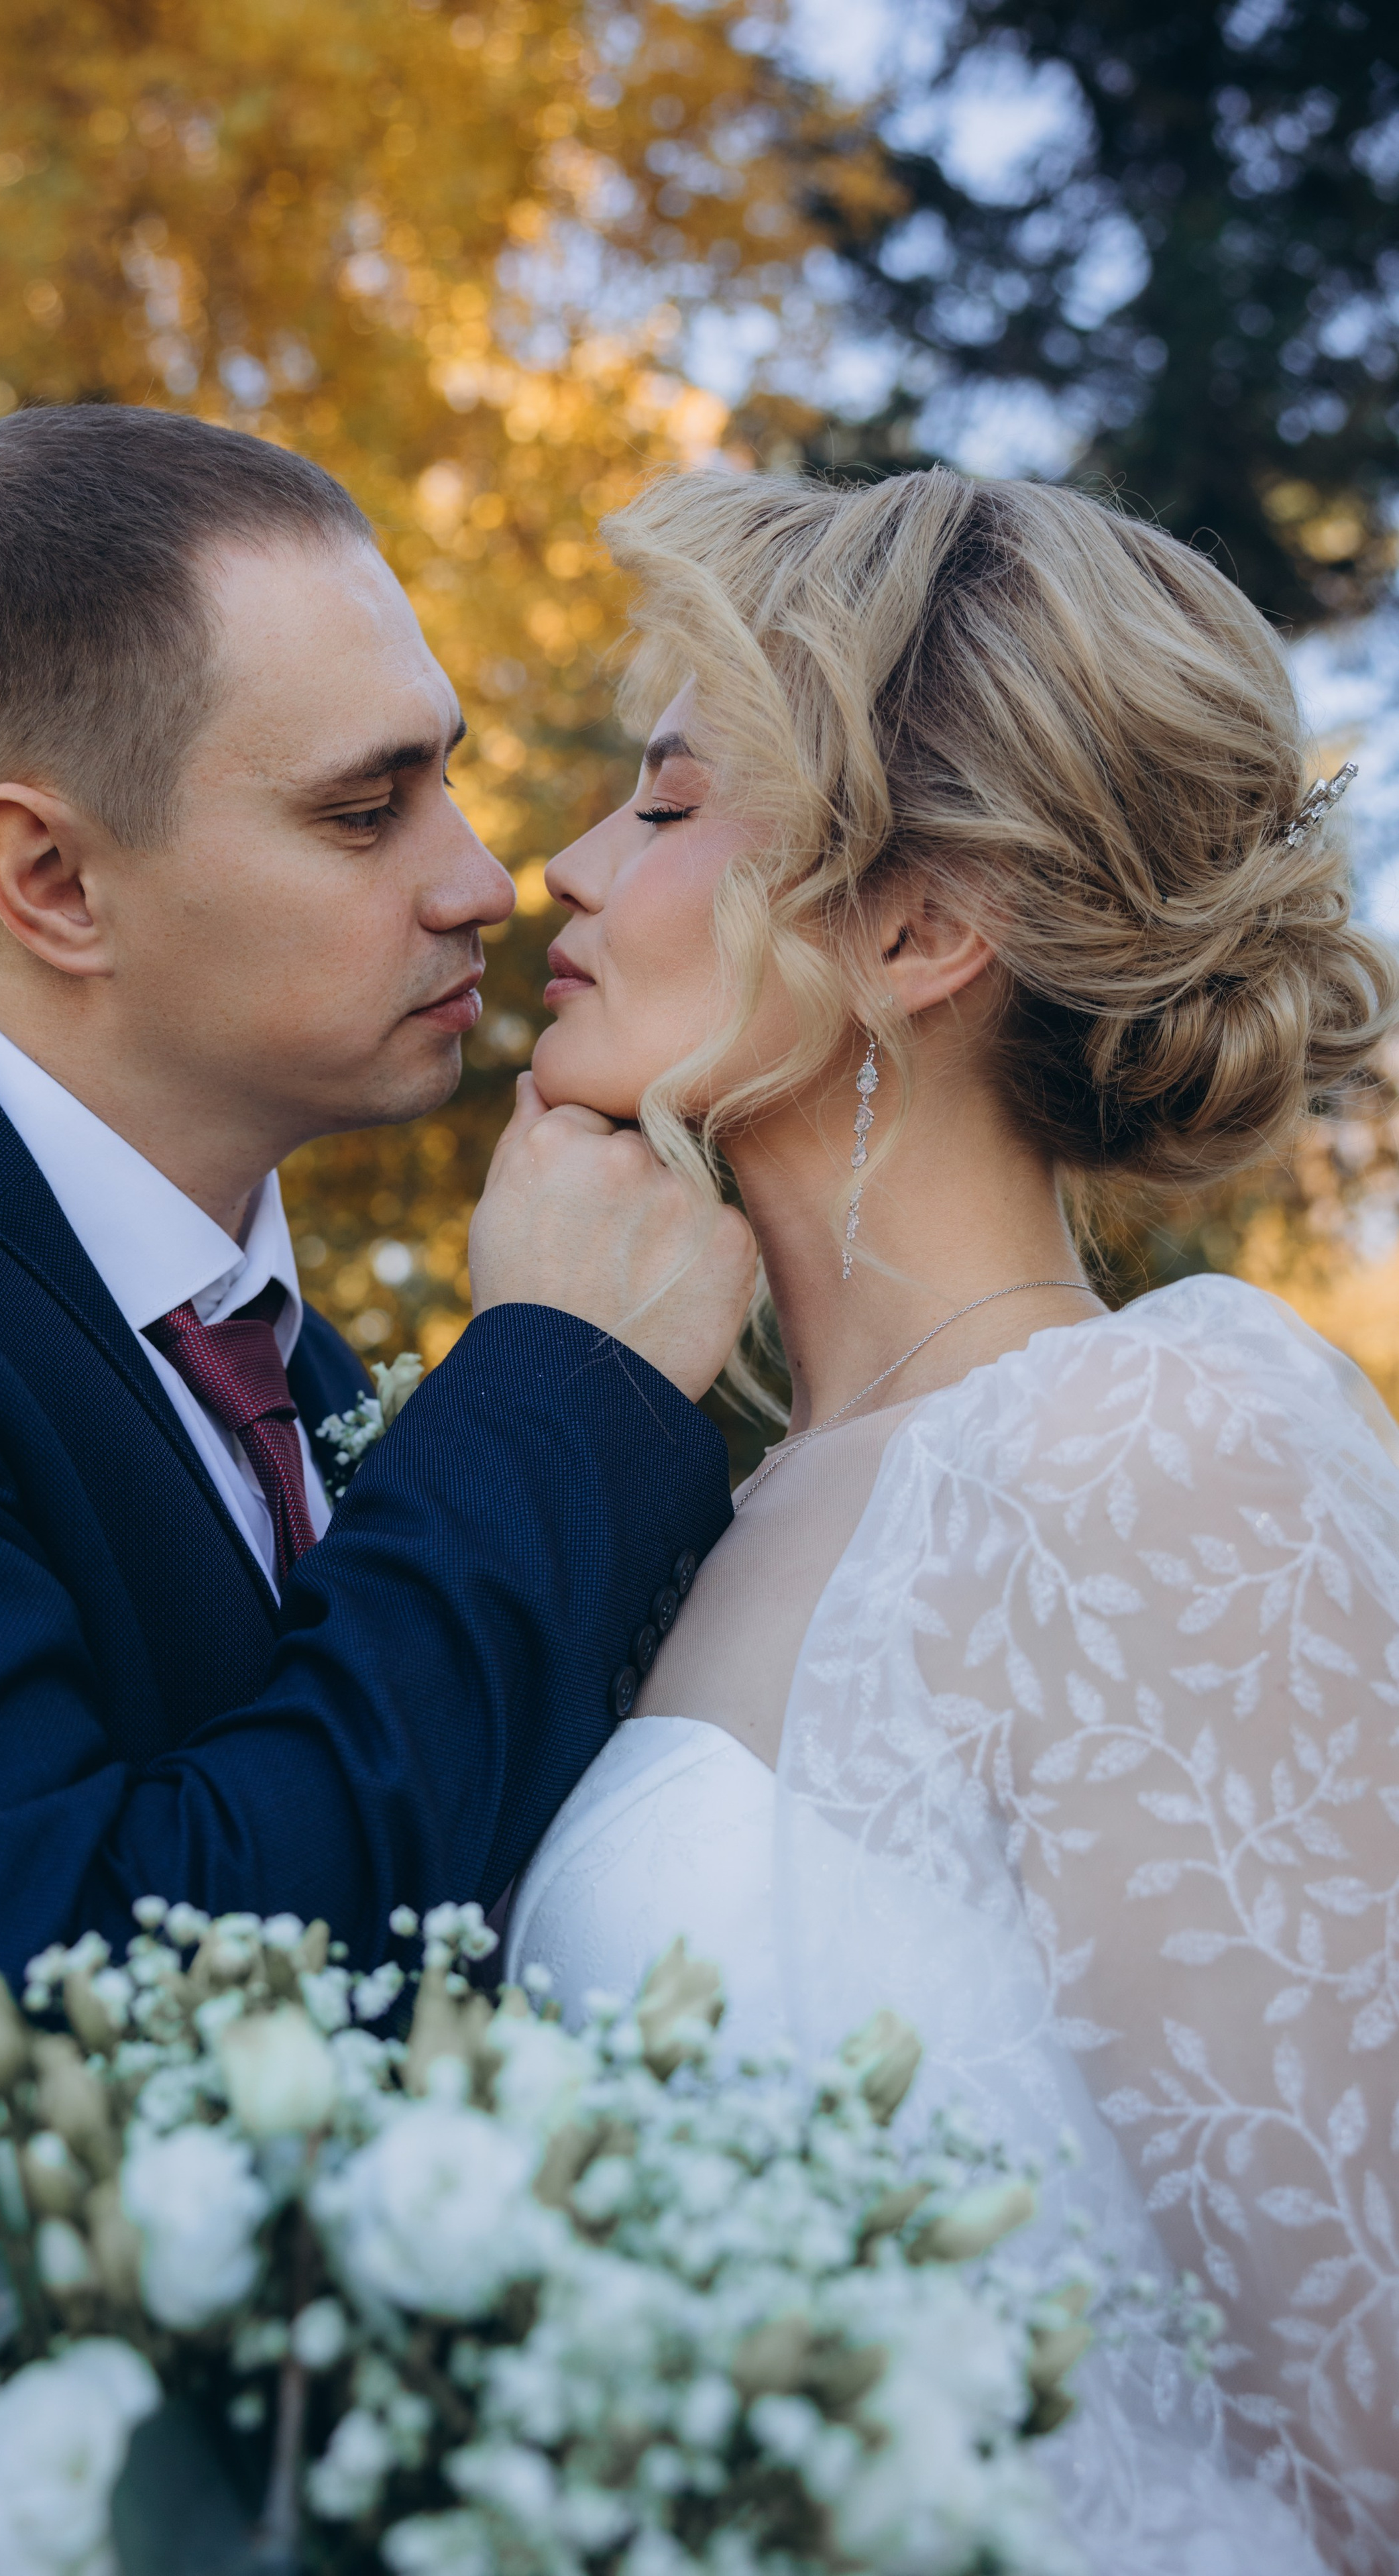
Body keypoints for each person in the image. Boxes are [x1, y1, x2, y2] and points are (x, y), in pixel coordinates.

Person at [0, 405, 756, 2572]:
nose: (481, 872)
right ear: (49, 876)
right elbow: (58, 2011)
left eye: (445, 772)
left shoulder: (319, 1392)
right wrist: (553, 1394)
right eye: (368, 810)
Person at [508, 466, 1399, 2575]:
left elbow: (1363, 2423)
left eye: (660, 807)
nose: (559, 867)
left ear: (915, 926)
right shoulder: (704, 1505)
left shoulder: (1157, 1452)